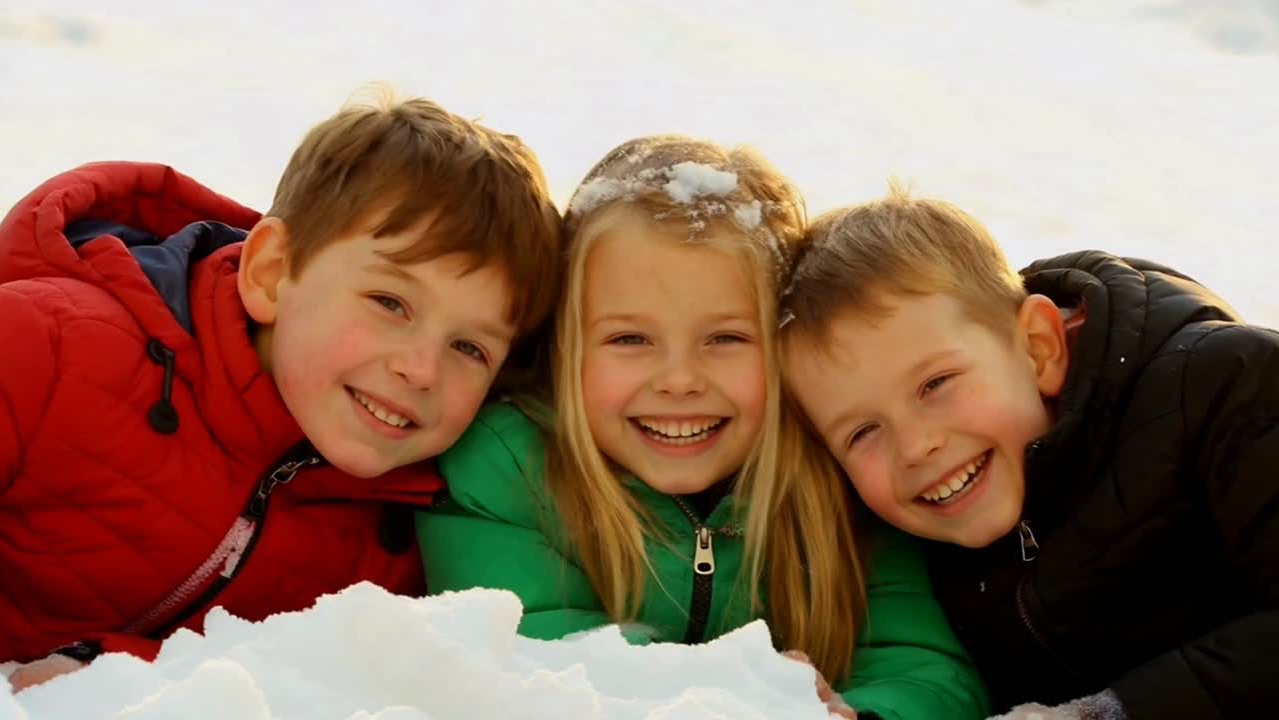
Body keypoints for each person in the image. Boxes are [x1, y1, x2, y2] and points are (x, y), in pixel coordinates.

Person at [0, 90, 563, 690]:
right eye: (390, 303)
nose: (423, 370)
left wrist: (99, 668)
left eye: (469, 348)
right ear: (270, 274)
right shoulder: (50, 347)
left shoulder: (407, 528)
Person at [418, 137, 989, 720]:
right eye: (630, 339)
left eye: (726, 339)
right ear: (565, 349)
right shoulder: (504, 470)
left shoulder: (837, 475)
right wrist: (734, 691)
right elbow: (525, 646)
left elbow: (927, 666)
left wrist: (857, 714)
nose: (680, 379)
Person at [780, 183, 1279, 719]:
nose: (916, 446)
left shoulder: (1228, 388)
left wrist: (1107, 713)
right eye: (861, 432)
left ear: (1038, 348)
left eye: (936, 384)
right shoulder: (914, 540)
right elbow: (927, 673)